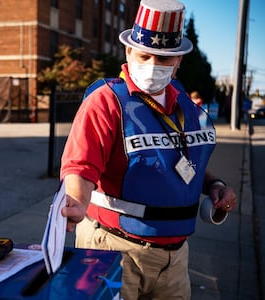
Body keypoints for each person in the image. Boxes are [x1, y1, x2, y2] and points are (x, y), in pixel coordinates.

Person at [60, 0, 237, 299]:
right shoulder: (106, 101)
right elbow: (80, 165)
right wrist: (76, 201)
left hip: (176, 257)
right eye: (144, 55)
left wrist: (214, 185)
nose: (153, 66)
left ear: (178, 61)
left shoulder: (184, 106)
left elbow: (183, 160)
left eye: (164, 59)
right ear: (128, 52)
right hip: (113, 248)